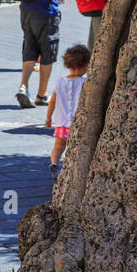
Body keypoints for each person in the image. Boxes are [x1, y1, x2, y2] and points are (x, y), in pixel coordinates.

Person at [45, 43, 91, 175]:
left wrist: (48, 118)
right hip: (78, 124)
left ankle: (54, 162)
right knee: (76, 148)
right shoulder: (85, 82)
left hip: (61, 123)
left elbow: (52, 102)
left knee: (58, 147)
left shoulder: (59, 82)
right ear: (85, 65)